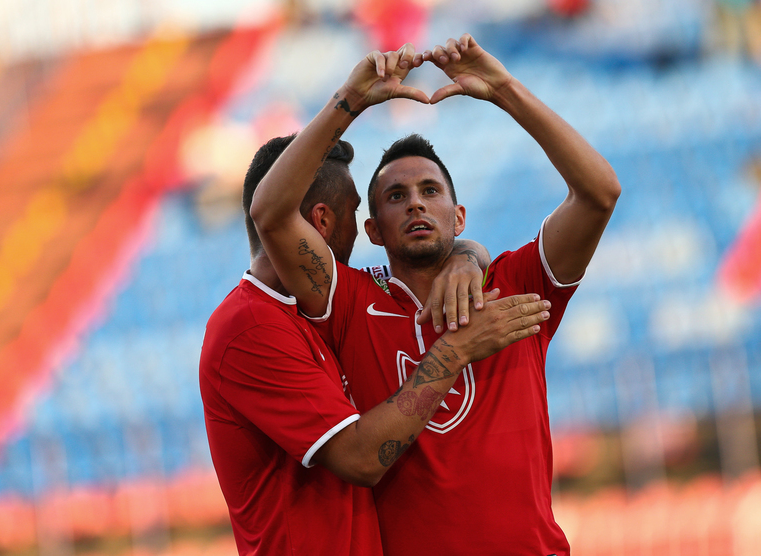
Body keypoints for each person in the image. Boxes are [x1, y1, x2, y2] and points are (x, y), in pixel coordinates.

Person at [251, 35, 620, 555]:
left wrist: (505, 90)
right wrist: (350, 100)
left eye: (430, 191)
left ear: (459, 216)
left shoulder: (513, 286)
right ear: (374, 230)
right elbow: (269, 213)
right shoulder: (349, 302)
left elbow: (600, 193)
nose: (415, 204)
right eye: (395, 196)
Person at [199, 133, 552, 556]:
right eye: (354, 212)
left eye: (429, 193)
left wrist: (465, 253)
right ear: (322, 221)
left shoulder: (315, 313)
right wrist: (456, 350)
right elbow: (360, 459)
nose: (360, 229)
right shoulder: (251, 326)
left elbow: (434, 254)